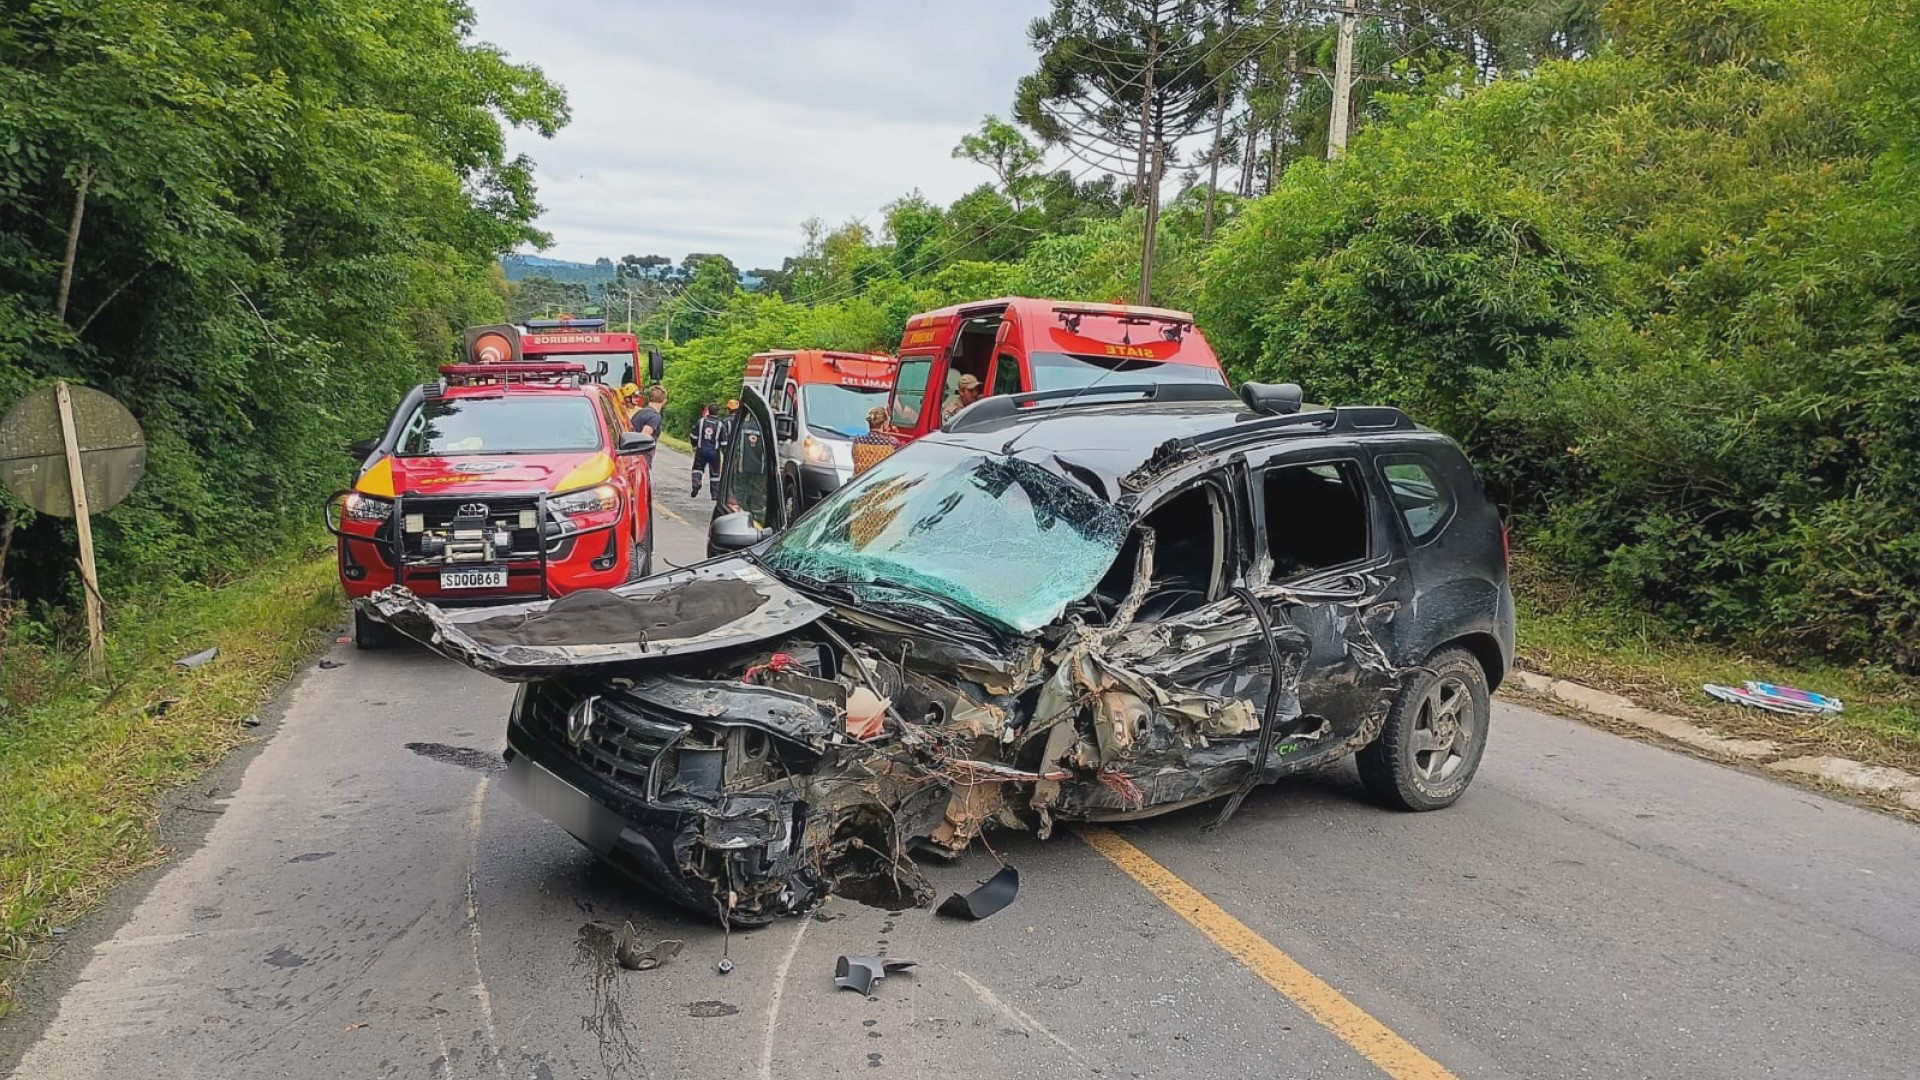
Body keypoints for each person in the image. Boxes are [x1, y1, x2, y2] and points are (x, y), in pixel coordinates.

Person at [852, 405, 901, 477]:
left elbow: (855, 460)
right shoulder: (893, 444)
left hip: (860, 482)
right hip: (881, 481)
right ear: (884, 423)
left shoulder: (858, 441)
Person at [690, 402, 726, 498]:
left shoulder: (701, 422)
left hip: (701, 450)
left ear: (708, 411)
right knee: (715, 473)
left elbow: (693, 436)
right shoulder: (720, 425)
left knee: (697, 468)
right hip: (714, 452)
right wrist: (725, 453)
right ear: (718, 412)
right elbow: (724, 442)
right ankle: (715, 494)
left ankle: (696, 484)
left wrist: (694, 446)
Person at [628, 386, 665, 463]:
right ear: (664, 400)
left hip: (630, 454)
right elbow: (643, 438)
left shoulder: (640, 412)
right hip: (641, 459)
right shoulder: (654, 417)